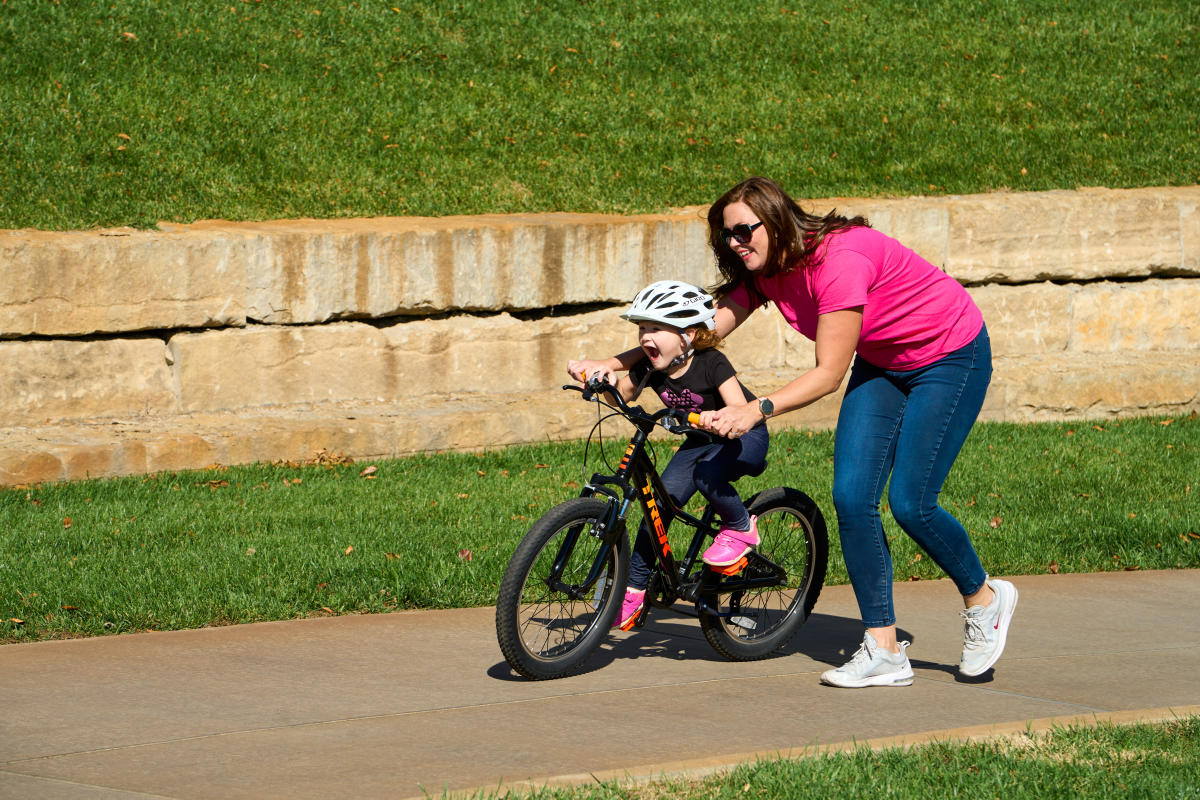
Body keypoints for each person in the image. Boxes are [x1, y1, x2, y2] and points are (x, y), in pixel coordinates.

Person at [572, 177, 1017, 686]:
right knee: (852, 498)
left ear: (777, 220)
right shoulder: (764, 271)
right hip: (882, 363)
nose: (735, 244)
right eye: (726, 237)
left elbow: (828, 374)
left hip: (949, 356)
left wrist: (753, 411)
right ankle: (884, 649)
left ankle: (984, 598)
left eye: (744, 231)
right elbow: (694, 332)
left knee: (911, 503)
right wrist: (612, 361)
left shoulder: (839, 261)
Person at [567, 280, 769, 631]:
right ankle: (634, 589)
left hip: (743, 437)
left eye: (656, 328)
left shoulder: (711, 363)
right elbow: (623, 395)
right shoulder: (650, 366)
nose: (645, 336)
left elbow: (739, 406)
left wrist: (720, 417)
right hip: (699, 441)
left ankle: (740, 528)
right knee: (657, 508)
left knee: (707, 474)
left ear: (688, 335)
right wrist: (600, 381)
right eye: (642, 328)